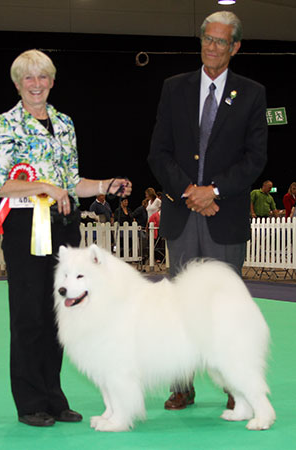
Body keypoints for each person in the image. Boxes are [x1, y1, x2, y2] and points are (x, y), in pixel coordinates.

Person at [0, 49, 131, 427]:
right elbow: (0, 183)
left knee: (60, 316)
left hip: (64, 228)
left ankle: (54, 399)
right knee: (28, 316)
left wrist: (107, 184)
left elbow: (73, 181)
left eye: (43, 77)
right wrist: (44, 187)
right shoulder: (5, 125)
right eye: (29, 78)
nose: (36, 84)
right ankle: (29, 402)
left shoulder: (65, 123)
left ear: (52, 81)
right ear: (18, 84)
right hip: (26, 228)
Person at [148, 11, 268, 411]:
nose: (212, 48)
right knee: (178, 306)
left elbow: (255, 159)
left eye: (221, 41)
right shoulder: (173, 88)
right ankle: (182, 384)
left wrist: (212, 190)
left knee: (226, 309)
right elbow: (158, 152)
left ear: (235, 47)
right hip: (182, 214)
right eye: (207, 39)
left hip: (225, 215)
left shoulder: (252, 93)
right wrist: (188, 191)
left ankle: (236, 386)